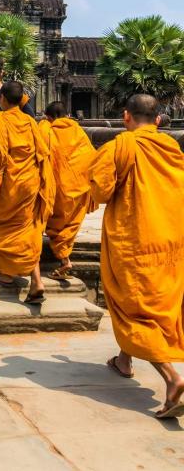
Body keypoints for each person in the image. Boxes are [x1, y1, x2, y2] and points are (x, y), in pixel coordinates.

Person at [89, 94, 184, 419]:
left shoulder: (121, 146)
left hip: (134, 239)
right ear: (158, 120)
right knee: (153, 303)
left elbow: (99, 192)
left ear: (126, 117)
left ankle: (171, 378)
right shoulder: (172, 148)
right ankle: (124, 360)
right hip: (170, 240)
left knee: (134, 309)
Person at [0, 81, 55, 303]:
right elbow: (43, 154)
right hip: (30, 182)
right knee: (28, 228)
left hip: (10, 185)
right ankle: (36, 280)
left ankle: (5, 273)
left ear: (1, 98)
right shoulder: (31, 122)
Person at [38, 101, 96, 279]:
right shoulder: (79, 131)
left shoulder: (46, 130)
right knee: (69, 225)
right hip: (79, 187)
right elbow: (91, 155)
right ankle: (64, 259)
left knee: (56, 224)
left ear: (48, 117)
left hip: (58, 189)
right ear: (67, 115)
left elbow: (40, 154)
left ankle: (65, 260)